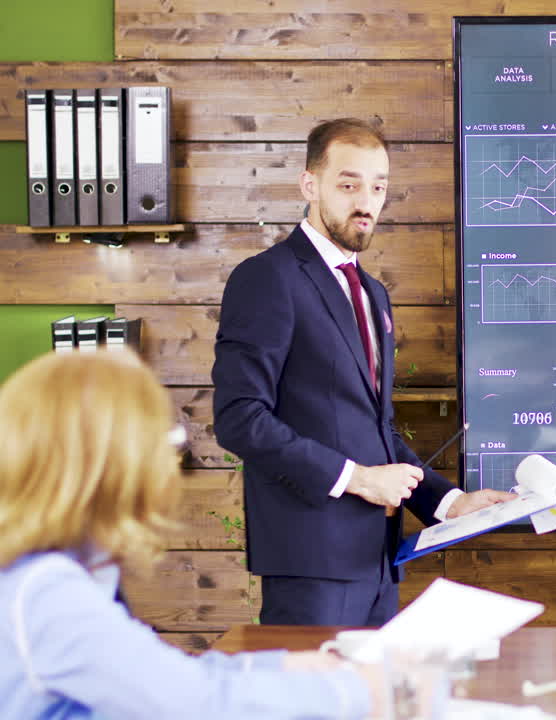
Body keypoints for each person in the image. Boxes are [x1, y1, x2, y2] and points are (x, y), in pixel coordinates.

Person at [0, 351, 416, 719]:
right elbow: (193, 704)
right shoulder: (48, 593)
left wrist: (286, 665)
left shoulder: (51, 574)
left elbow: (164, 677)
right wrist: (363, 691)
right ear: (107, 466)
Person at [213, 118, 513, 626]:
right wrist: (357, 480)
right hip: (310, 564)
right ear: (310, 185)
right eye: (349, 185)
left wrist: (450, 502)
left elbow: (375, 430)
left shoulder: (373, 293)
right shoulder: (266, 279)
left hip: (378, 563)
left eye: (378, 187)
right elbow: (240, 418)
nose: (366, 202)